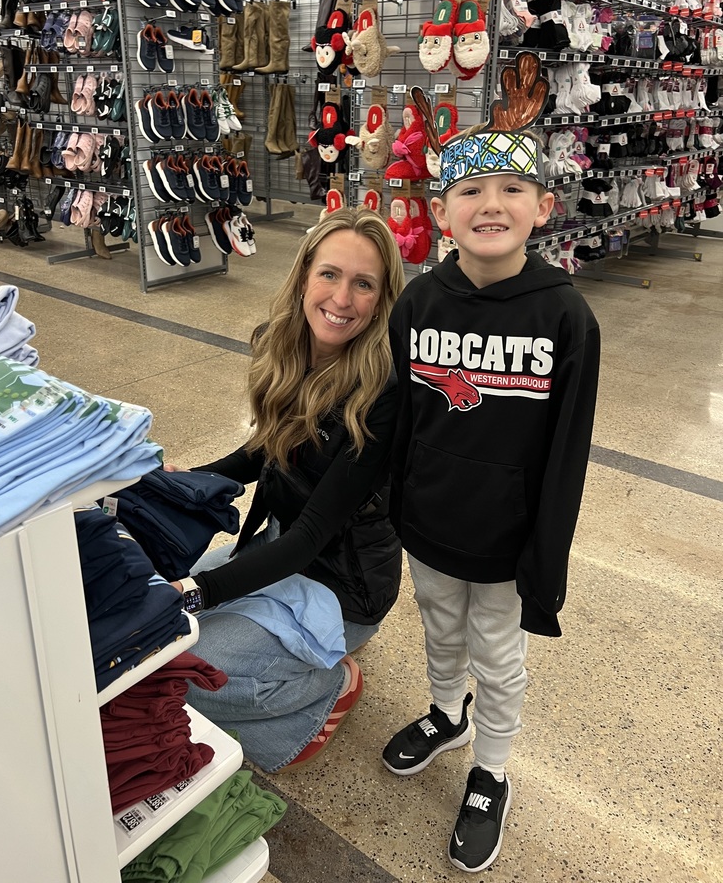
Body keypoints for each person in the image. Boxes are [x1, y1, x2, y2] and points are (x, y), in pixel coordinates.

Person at [384, 55, 601, 873]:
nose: (491, 205)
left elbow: (567, 453)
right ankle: (448, 715)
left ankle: (492, 769)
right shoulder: (418, 303)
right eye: (470, 190)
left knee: (499, 656)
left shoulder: (566, 318)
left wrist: (547, 557)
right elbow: (401, 417)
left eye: (512, 189)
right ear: (441, 213)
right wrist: (398, 506)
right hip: (430, 523)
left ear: (543, 207)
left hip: (509, 542)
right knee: (439, 629)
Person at [166, 207, 405, 774]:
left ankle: (330, 683)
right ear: (303, 277)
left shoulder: (384, 393)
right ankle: (287, 653)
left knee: (182, 674)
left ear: (381, 301)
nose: (341, 298)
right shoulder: (286, 346)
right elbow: (263, 451)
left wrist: (196, 592)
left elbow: (311, 537)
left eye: (363, 284)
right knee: (155, 641)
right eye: (330, 274)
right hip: (276, 547)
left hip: (341, 585)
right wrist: (184, 481)